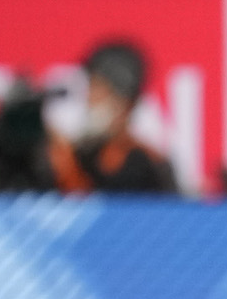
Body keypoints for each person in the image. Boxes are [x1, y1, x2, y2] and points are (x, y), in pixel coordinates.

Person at [59, 42, 177, 194]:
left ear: (124, 103)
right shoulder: (82, 156)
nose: (89, 99)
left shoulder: (148, 167)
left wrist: (68, 170)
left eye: (97, 90)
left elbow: (94, 210)